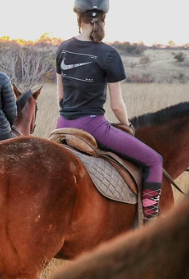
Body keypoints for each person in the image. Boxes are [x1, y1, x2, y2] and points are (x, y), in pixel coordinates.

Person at [55, 0, 163, 222]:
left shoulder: (62, 48)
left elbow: (60, 97)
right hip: (93, 127)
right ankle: (150, 219)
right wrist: (128, 125)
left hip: (62, 126)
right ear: (104, 18)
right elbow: (116, 105)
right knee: (154, 161)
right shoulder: (109, 54)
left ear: (78, 18)